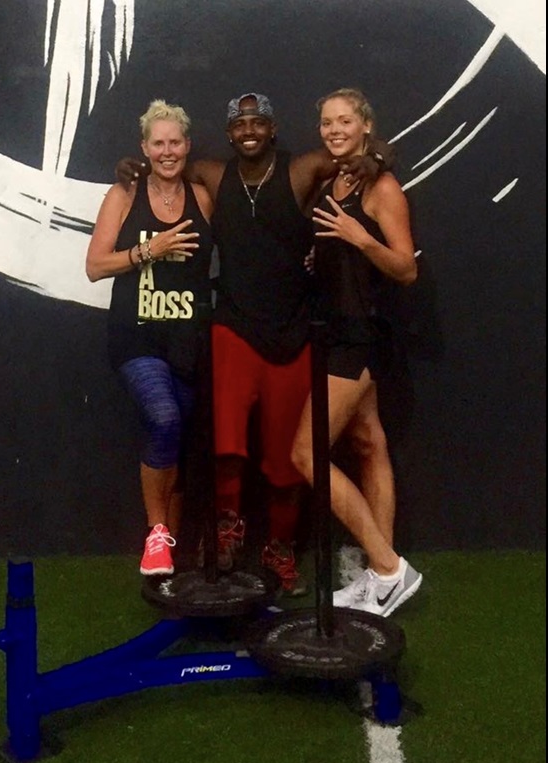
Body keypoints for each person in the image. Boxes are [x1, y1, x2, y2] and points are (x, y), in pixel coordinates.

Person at [115, 92, 394, 596]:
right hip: (234, 328)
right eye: (239, 122)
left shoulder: (301, 168)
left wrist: (378, 157)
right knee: (226, 439)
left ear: (272, 128)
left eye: (258, 122)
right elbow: (164, 167)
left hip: (292, 330)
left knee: (288, 455)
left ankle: (281, 549)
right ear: (228, 134)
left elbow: (356, 156)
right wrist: (132, 170)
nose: (248, 129)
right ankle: (225, 532)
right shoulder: (212, 174)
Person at [291, 88, 423, 617]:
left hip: (359, 337)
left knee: (305, 454)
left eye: (344, 121)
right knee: (369, 444)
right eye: (326, 122)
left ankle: (390, 568)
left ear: (366, 125)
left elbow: (406, 268)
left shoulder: (382, 186)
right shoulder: (334, 178)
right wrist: (320, 255)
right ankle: (379, 579)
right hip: (337, 330)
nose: (334, 130)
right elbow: (338, 249)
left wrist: (357, 237)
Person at [86, 99, 214, 576]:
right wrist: (148, 250)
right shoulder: (124, 195)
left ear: (187, 145)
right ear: (144, 147)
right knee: (163, 420)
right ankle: (156, 533)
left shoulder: (202, 197)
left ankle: (170, 553)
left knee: (178, 436)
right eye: (157, 143)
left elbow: (246, 242)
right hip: (136, 338)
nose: (166, 151)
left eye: (174, 142)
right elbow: (96, 266)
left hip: (187, 341)